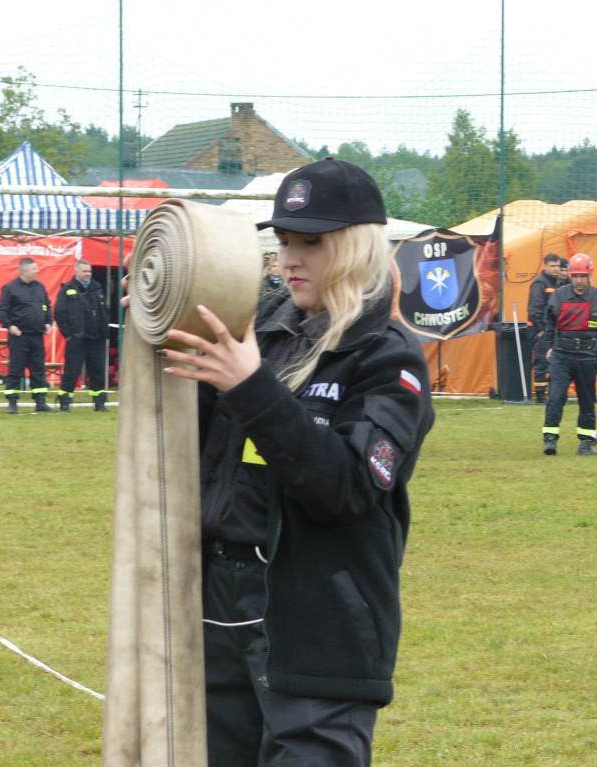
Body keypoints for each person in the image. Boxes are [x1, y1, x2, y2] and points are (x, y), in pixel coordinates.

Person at [147, 158, 435, 767]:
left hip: (320, 622)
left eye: (311, 243)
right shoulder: (259, 334)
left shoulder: (389, 358)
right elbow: (188, 456)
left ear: (357, 247)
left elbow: (347, 487)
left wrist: (250, 387)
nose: (288, 260)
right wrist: (164, 313)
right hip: (217, 606)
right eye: (282, 242)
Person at [541, 253, 597, 456]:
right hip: (562, 354)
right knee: (556, 396)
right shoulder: (558, 296)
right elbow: (549, 322)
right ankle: (550, 439)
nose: (579, 280)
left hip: (588, 355)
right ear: (570, 276)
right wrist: (549, 346)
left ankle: (585, 443)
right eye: (575, 276)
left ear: (589, 275)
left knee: (587, 400)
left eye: (582, 276)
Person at [0, 257, 53, 414]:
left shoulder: (40, 287)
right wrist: (10, 326)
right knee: (16, 369)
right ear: (25, 271)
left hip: (37, 336)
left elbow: (47, 306)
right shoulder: (10, 288)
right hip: (19, 336)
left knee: (38, 370)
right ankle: (12, 402)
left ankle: (40, 402)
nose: (38, 271)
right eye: (35, 269)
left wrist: (48, 322)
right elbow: (1, 310)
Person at [54, 259, 109, 412]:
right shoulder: (68, 289)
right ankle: (65, 401)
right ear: (76, 271)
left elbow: (104, 311)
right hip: (77, 338)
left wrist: (104, 331)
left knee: (98, 371)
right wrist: (68, 334)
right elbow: (59, 313)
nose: (87, 274)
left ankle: (99, 402)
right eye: (84, 271)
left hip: (96, 338)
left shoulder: (97, 288)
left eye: (89, 271)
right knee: (72, 371)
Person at [526, 252, 562, 404]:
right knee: (541, 362)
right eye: (552, 266)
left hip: (554, 331)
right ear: (545, 266)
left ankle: (552, 394)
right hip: (541, 331)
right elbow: (534, 310)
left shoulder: (557, 284)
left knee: (554, 362)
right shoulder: (540, 284)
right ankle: (540, 395)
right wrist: (542, 329)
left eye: (557, 266)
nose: (555, 269)